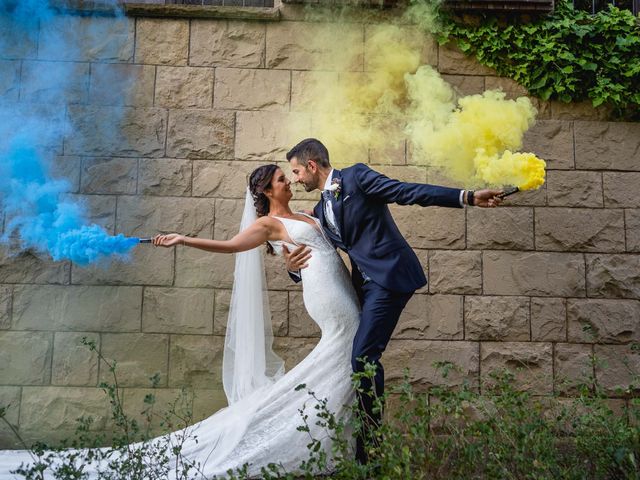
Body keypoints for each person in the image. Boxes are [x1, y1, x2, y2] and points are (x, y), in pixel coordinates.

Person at [0, 164, 360, 479]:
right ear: (267, 190)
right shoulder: (268, 223)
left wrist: (291, 264)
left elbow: (318, 249)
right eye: (283, 179)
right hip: (329, 301)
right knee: (345, 350)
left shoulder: (305, 213)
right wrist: (183, 239)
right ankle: (320, 438)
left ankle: (336, 437)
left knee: (345, 359)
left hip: (338, 288)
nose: (289, 183)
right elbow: (232, 245)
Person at [283, 138, 503, 463]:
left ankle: (370, 451)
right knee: (353, 357)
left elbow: (406, 192)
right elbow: (319, 254)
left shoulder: (356, 177)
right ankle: (353, 442)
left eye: (297, 171)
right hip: (364, 285)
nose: (296, 178)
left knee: (363, 357)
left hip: (389, 278)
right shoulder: (321, 209)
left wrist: (466, 196)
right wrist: (293, 270)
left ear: (312, 166)